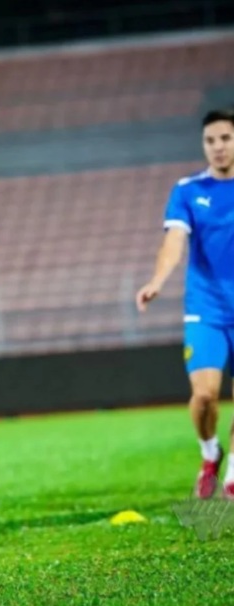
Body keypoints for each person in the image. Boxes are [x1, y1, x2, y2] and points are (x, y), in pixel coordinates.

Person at [136, 108, 234, 499]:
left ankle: (233, 474)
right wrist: (157, 280)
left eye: (225, 138)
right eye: (210, 140)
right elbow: (174, 241)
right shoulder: (188, 191)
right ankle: (210, 453)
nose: (218, 147)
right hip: (206, 311)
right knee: (205, 395)